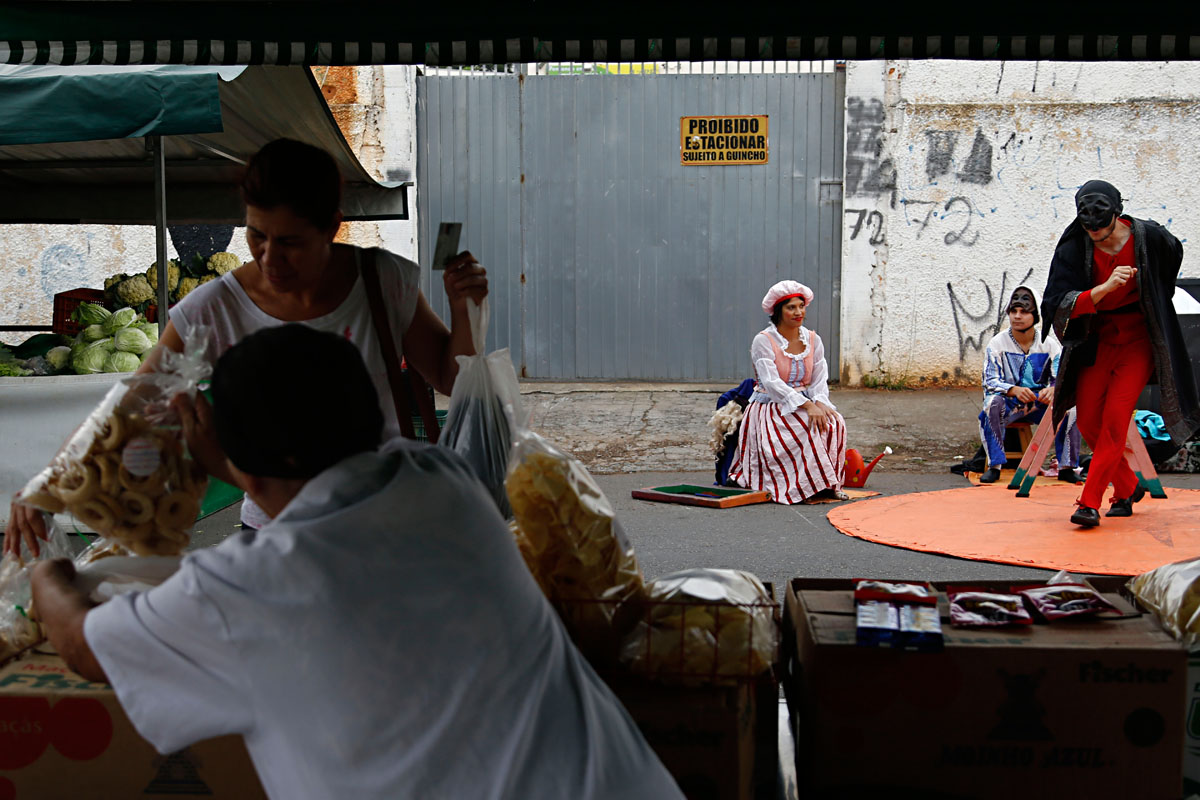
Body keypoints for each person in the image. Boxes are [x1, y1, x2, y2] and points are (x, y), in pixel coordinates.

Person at [30, 325, 684, 800]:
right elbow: (317, 503)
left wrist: (46, 566)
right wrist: (236, 461)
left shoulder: (246, 587)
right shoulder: (442, 481)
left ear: (245, 457)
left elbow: (82, 644)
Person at [7, 138, 488, 553]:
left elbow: (449, 377)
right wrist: (47, 484)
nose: (269, 258)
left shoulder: (382, 282)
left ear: (332, 226)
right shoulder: (215, 307)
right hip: (275, 532)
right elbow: (130, 403)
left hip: (382, 517)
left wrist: (465, 308)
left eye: (291, 242)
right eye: (257, 235)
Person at [1043, 179, 1200, 527]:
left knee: (1116, 419)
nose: (1096, 236)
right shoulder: (1074, 245)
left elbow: (1172, 257)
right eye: (1090, 230)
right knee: (1088, 421)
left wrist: (1153, 291)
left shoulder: (1149, 237)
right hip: (1097, 340)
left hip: (1138, 341)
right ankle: (1127, 486)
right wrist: (1104, 288)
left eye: (1102, 229)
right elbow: (1058, 301)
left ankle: (1089, 503)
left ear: (1117, 214)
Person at [728, 280, 848, 504]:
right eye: (791, 307)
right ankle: (802, 485)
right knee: (807, 425)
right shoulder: (764, 340)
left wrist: (820, 402)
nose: (798, 312)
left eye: (801, 306)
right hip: (771, 406)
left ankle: (828, 484)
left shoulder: (813, 339)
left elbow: (819, 376)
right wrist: (807, 405)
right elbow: (772, 382)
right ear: (778, 311)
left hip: (804, 400)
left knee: (835, 421)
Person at [977, 286, 1081, 484]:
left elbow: (1062, 378)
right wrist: (1012, 390)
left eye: (1024, 312)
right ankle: (995, 466)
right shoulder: (997, 344)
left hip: (1039, 403)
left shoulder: (1048, 344)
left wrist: (1053, 389)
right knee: (991, 404)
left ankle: (1067, 467)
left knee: (1071, 408)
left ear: (1035, 316)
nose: (1017, 316)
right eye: (1013, 311)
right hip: (1008, 403)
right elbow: (989, 381)